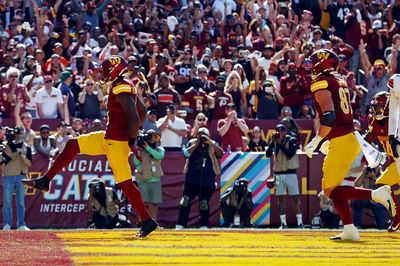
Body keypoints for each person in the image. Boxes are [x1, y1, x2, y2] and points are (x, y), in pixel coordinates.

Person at [21, 56, 158, 238]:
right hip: (109, 138)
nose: (103, 73)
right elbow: (141, 111)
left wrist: (131, 139)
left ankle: (147, 221)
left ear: (115, 71)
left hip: (116, 143)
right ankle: (46, 180)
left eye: (106, 70)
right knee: (72, 144)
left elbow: (135, 116)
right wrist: (130, 133)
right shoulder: (124, 83)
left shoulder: (121, 87)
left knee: (125, 183)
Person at [305, 49, 395, 241]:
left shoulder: (322, 83)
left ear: (323, 65)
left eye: (314, 63)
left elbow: (329, 116)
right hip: (349, 138)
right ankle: (349, 230)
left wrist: (317, 140)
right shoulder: (339, 81)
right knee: (334, 188)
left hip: (342, 140)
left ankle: (377, 194)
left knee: (330, 190)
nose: (311, 67)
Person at [176, 127, 224, 229]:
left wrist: (209, 142)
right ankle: (180, 224)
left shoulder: (212, 144)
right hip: (192, 179)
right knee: (185, 201)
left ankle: (203, 225)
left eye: (203, 135)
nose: (201, 137)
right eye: (199, 134)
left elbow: (221, 154)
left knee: (204, 203)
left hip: (207, 179)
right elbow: (185, 154)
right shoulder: (192, 142)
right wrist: (197, 143)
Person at [266, 124, 303, 229]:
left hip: (290, 172)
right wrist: (273, 142)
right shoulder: (275, 140)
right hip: (278, 173)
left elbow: (290, 154)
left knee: (295, 197)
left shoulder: (292, 139)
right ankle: (283, 223)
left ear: (286, 131)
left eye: (281, 131)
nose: (279, 133)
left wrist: (280, 144)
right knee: (280, 198)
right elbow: (268, 154)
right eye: (277, 131)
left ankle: (300, 222)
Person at [1, 126, 32, 231]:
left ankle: (21, 224)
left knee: (20, 202)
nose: (19, 135)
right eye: (17, 133)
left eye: (21, 133)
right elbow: (2, 161)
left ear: (24, 134)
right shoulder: (6, 146)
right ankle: (7, 224)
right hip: (8, 176)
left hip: (21, 176)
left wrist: (22, 154)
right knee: (7, 202)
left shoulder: (27, 147)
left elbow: (29, 163)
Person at [133, 130, 164, 221]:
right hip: (142, 179)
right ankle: (140, 223)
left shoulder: (160, 149)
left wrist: (148, 148)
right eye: (150, 136)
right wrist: (139, 149)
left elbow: (159, 156)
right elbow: (136, 162)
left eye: (155, 137)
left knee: (153, 203)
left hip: (155, 179)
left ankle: (153, 223)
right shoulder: (140, 150)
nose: (152, 139)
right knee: (140, 204)